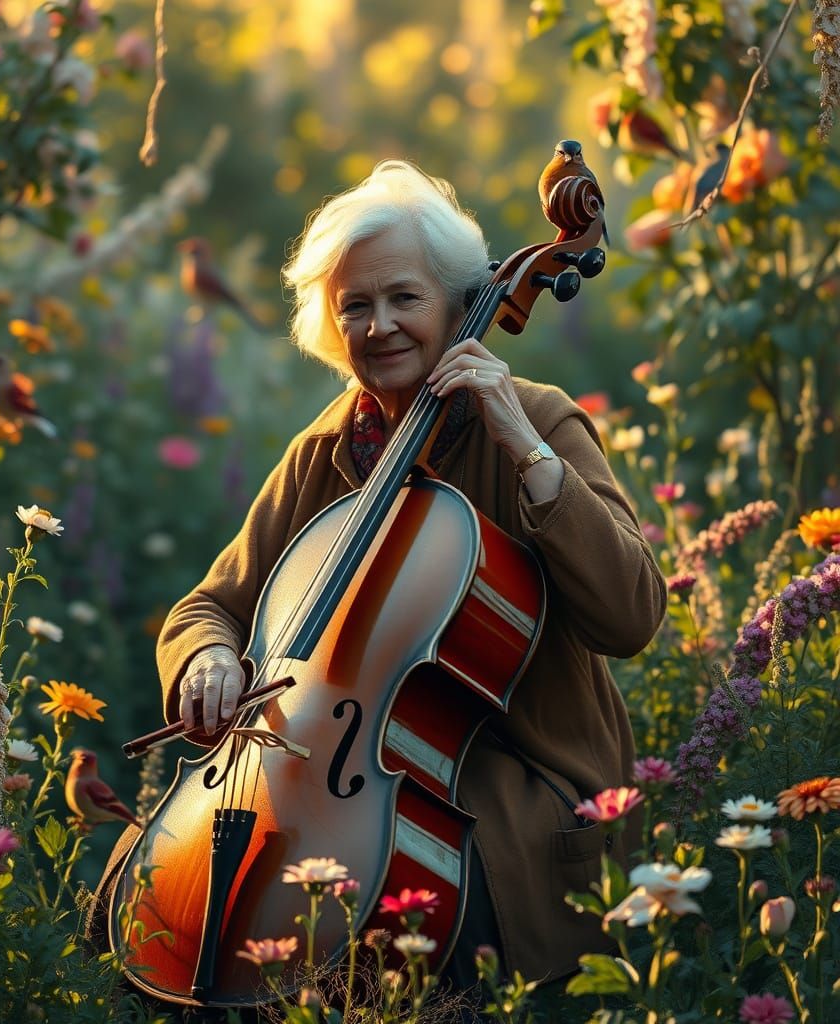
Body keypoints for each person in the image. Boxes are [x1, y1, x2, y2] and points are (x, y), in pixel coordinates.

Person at [93, 160, 666, 1003]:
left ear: (459, 302)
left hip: (510, 785)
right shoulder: (326, 451)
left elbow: (632, 616)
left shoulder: (535, 420)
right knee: (142, 894)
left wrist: (529, 454)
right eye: (354, 306)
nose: (380, 325)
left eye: (404, 297)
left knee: (400, 921)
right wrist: (208, 659)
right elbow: (209, 605)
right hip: (335, 777)